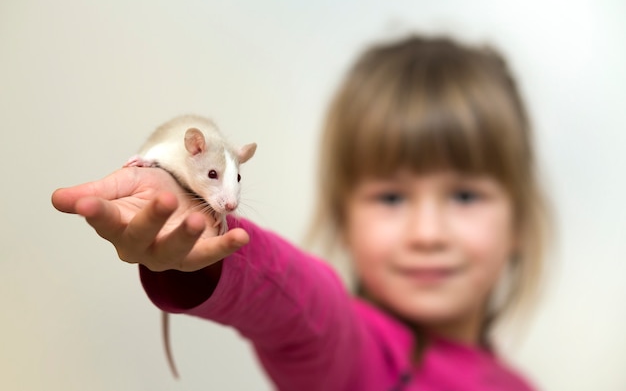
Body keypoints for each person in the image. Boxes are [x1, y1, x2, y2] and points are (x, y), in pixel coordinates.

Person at [52, 35, 550, 390]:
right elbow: (304, 307)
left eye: (464, 197)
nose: (426, 233)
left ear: (521, 223)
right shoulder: (351, 357)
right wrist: (208, 235)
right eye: (392, 198)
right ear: (343, 218)